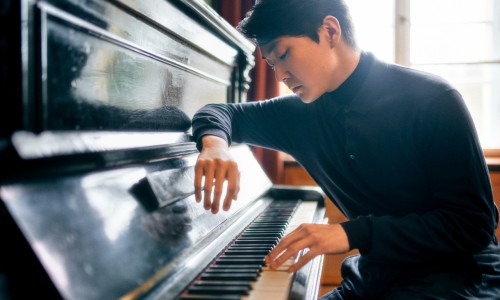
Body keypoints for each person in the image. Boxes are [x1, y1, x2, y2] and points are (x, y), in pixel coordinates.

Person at [191, 0, 500, 298]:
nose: (280, 76)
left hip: (459, 276)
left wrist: (351, 233)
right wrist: (215, 144)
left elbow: (473, 225)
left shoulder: (434, 99)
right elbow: (222, 112)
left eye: (283, 55)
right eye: (271, 64)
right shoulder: (299, 113)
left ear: (330, 31)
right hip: (375, 278)